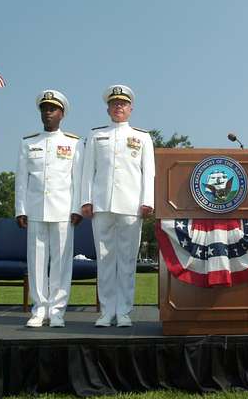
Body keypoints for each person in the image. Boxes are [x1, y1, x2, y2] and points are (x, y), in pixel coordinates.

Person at [81, 84, 155, 327]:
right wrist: (86, 200)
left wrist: (148, 201)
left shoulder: (142, 136)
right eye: (114, 104)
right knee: (104, 260)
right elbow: (87, 171)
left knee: (127, 260)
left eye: (122, 104)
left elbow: (148, 173)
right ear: (108, 108)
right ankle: (106, 311)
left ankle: (123, 310)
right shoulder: (96, 135)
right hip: (102, 204)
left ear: (131, 109)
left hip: (132, 205)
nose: (118, 107)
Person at [15, 90, 84, 328]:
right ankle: (38, 309)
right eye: (44, 109)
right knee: (36, 262)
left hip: (64, 210)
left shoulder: (73, 143)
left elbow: (78, 179)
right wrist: (20, 209)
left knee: (61, 263)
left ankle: (57, 311)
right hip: (35, 209)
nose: (47, 113)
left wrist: (78, 208)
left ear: (62, 114)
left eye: (52, 109)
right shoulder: (28, 142)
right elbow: (21, 180)